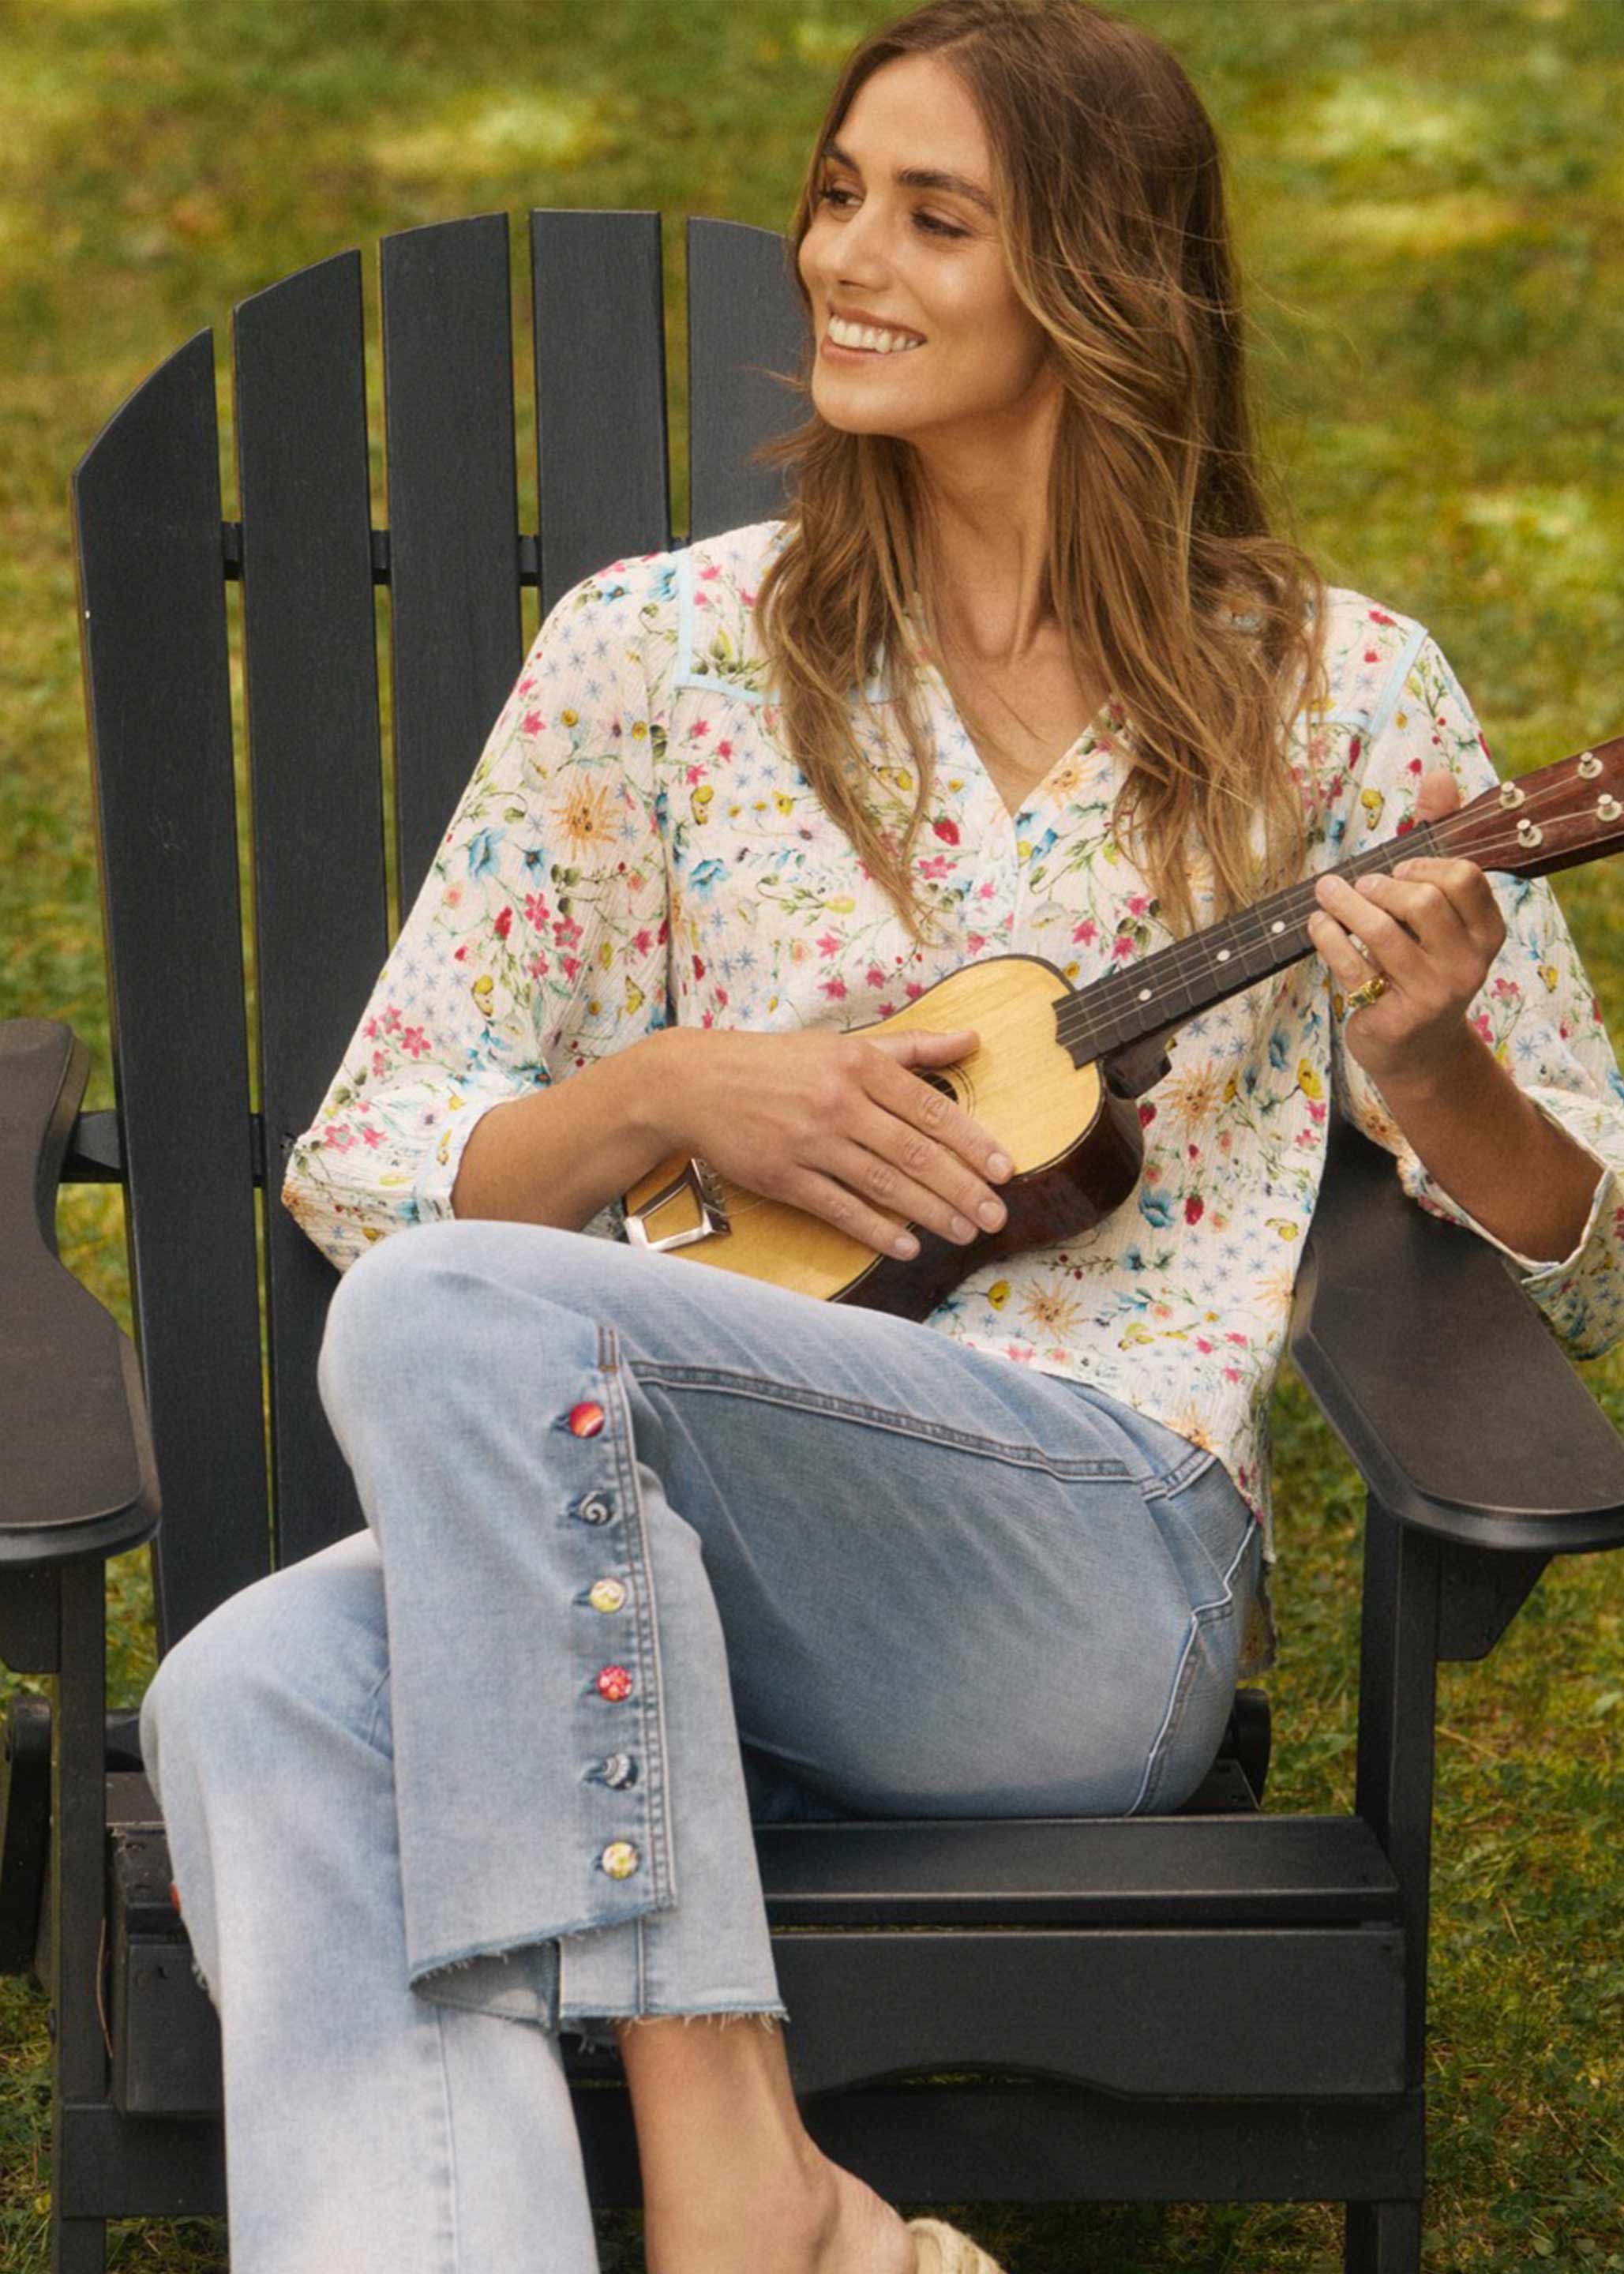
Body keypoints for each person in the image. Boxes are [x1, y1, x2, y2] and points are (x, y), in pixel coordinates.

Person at [137, 2, 1624, 2270]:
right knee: (252, 1685)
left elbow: (1581, 1256)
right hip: (641, 1586)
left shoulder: (1333, 693)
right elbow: (372, 1153)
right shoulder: (658, 656)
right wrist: (664, 1089)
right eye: (839, 197)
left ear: (1105, 283)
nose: (843, 257)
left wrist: (1430, 1064)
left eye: (935, 218)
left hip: (1079, 1577)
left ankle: (734, 2165)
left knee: (460, 1325)